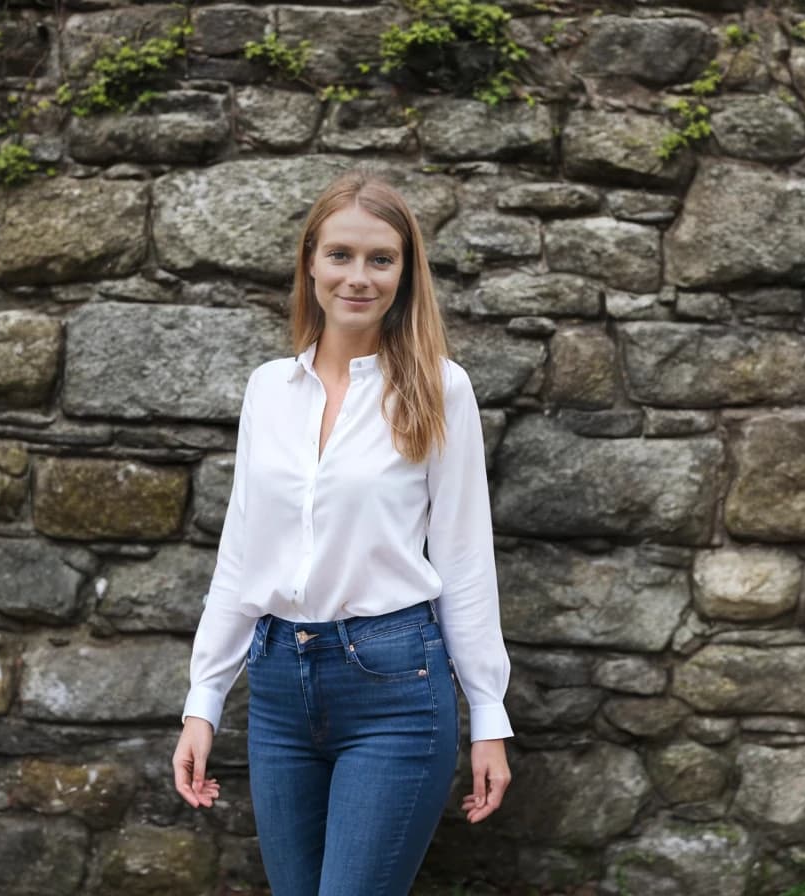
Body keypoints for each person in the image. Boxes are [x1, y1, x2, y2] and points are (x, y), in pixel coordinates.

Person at [171, 170, 514, 896]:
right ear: (310, 263)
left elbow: (464, 556)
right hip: (277, 693)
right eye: (341, 255)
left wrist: (489, 713)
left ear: (405, 272)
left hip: (394, 686)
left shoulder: (438, 388)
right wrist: (204, 699)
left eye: (380, 259)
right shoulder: (269, 388)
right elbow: (241, 552)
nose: (358, 277)